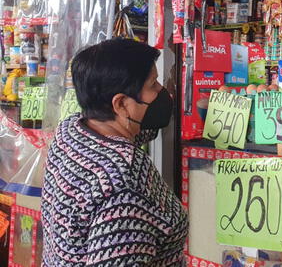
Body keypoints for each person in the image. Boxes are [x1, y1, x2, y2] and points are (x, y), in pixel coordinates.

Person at [41, 39, 187, 266]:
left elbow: (131, 133)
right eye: (153, 84)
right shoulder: (124, 178)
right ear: (120, 104)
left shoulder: (71, 130)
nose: (162, 90)